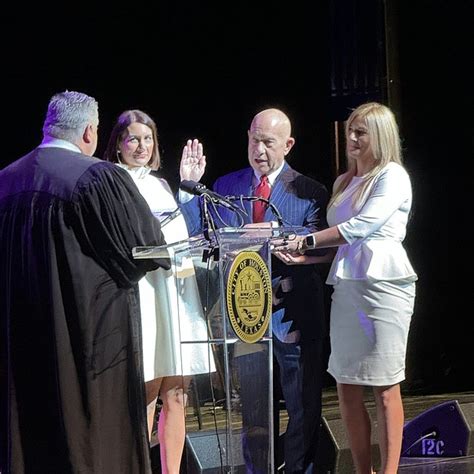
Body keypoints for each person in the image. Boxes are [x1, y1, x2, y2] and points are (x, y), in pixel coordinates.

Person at [0, 91, 170, 474]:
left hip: (18, 345)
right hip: (88, 343)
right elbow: (145, 251)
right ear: (90, 132)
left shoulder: (5, 181)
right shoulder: (98, 177)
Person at [179, 108, 331, 473]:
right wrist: (188, 190)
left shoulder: (309, 191)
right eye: (254, 140)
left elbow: (324, 246)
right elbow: (195, 237)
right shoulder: (225, 188)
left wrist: (285, 239)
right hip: (245, 316)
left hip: (293, 314)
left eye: (268, 142)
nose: (259, 149)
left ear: (288, 144)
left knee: (302, 406)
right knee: (254, 413)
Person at [274, 102, 418, 474]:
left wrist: (304, 242)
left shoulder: (392, 176)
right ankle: (361, 469)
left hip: (384, 288)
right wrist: (304, 258)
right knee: (346, 386)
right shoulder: (343, 182)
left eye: (361, 132)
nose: (352, 138)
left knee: (385, 388)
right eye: (350, 130)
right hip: (347, 289)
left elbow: (362, 228)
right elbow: (340, 246)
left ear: (380, 136)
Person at [103, 109, 214, 474]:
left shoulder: (160, 184)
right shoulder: (111, 180)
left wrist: (188, 189)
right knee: (147, 392)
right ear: (117, 144)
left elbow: (184, 233)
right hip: (144, 292)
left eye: (147, 138)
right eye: (133, 138)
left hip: (175, 290)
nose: (141, 146)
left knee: (177, 393)